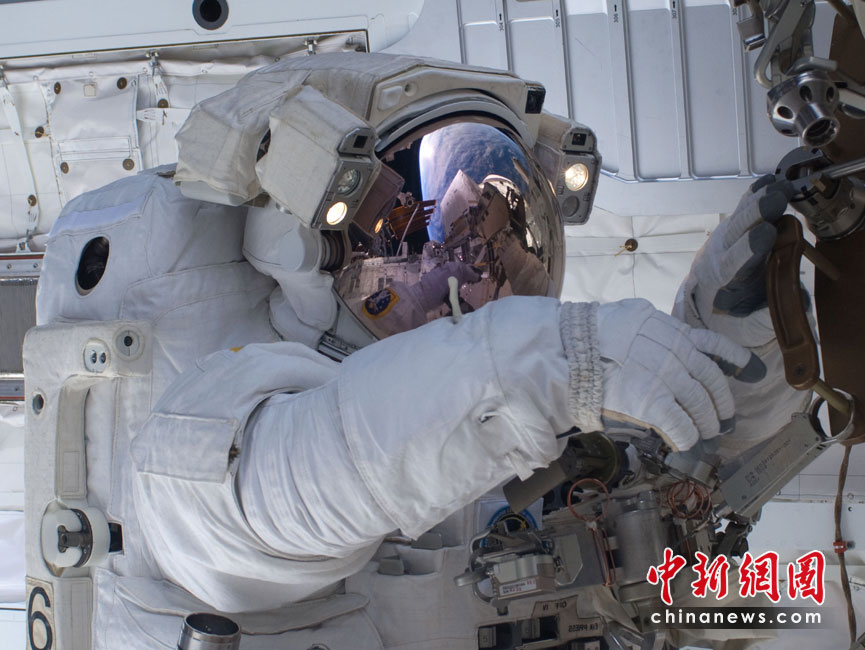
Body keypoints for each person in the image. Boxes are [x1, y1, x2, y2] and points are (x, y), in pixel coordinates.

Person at [29, 52, 802, 649]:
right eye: (426, 241)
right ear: (301, 252)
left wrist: (738, 338)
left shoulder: (452, 423)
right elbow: (315, 471)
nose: (475, 274)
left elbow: (660, 479)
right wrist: (547, 359)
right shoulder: (206, 447)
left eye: (508, 226)